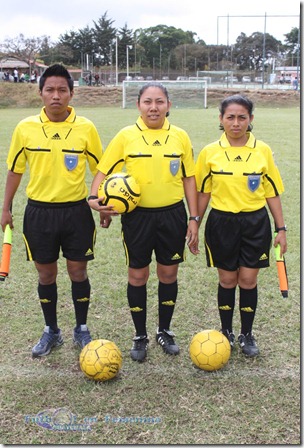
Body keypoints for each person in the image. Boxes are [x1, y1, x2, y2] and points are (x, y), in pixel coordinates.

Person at [0, 64, 115, 358]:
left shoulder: (85, 128)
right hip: (39, 213)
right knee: (46, 275)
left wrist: (101, 204)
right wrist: (6, 208)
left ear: (71, 94)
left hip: (76, 212)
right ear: (40, 93)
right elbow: (14, 171)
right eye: (49, 90)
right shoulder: (25, 128)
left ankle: (81, 327)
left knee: (78, 271)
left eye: (62, 90)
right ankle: (51, 330)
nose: (56, 96)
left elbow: (99, 170)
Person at [88, 82, 200, 362]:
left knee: (168, 274)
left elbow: (189, 178)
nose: (154, 107)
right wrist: (95, 199)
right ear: (138, 105)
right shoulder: (126, 136)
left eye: (160, 101)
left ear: (169, 105)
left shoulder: (180, 137)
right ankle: (140, 335)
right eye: (148, 102)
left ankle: (164, 330)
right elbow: (103, 172)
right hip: (137, 217)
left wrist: (194, 217)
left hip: (172, 215)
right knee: (138, 276)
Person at [195, 94, 287, 357]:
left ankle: (247, 333)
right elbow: (203, 193)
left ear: (251, 119)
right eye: (230, 117)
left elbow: (272, 193)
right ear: (221, 120)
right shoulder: (210, 152)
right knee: (227, 280)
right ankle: (226, 332)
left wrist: (281, 230)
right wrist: (195, 223)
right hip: (222, 223)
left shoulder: (263, 150)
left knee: (247, 280)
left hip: (255, 222)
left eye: (242, 117)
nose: (236, 123)